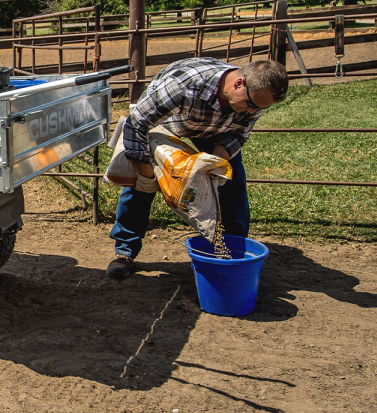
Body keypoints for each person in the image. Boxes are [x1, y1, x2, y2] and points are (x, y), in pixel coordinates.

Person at [107, 57, 289, 280]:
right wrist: (145, 172)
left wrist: (216, 162)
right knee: (141, 185)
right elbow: (137, 125)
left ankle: (233, 250)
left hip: (216, 129)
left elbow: (239, 133)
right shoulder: (183, 86)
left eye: (259, 109)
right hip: (166, 123)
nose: (251, 112)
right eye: (251, 105)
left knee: (232, 181)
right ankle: (125, 250)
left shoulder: (255, 98)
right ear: (238, 83)